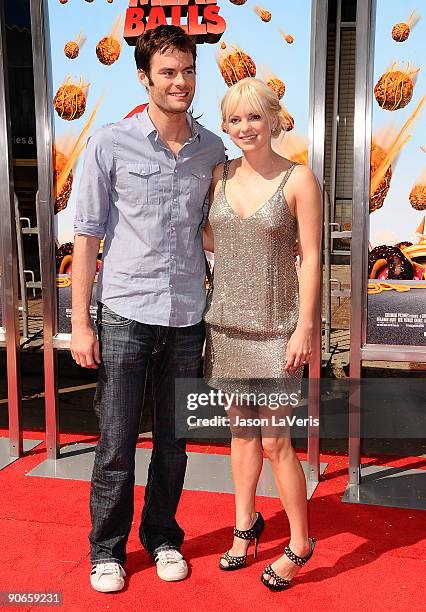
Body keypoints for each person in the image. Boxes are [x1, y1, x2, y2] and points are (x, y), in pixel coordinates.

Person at [70, 25, 225, 593]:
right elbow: (86, 235)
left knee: (175, 443)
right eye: (168, 72)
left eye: (187, 70)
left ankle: (162, 537)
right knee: (114, 443)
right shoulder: (112, 142)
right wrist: (80, 322)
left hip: (187, 316)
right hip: (125, 315)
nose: (180, 81)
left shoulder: (212, 149)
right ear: (145, 78)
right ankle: (105, 551)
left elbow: (212, 231)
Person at [203, 78, 322, 591]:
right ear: (225, 126)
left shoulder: (300, 180)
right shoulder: (217, 175)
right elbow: (209, 234)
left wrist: (306, 328)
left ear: (275, 118)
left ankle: (299, 542)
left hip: (277, 333)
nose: (245, 127)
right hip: (225, 327)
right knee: (241, 434)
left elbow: (313, 258)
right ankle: (246, 525)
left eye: (255, 117)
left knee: (277, 440)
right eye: (234, 119)